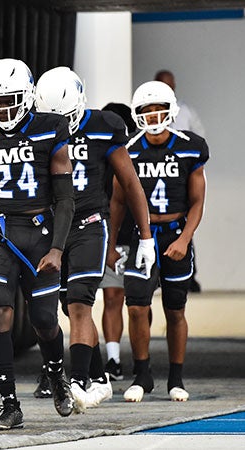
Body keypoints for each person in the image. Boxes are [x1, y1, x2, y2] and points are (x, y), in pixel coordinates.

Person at [0, 58, 76, 430]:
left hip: (38, 233)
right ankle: (9, 404)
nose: (4, 108)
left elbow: (65, 198)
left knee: (44, 321)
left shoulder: (50, 128)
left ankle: (56, 374)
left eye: (11, 100)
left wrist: (57, 248)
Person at [34, 67, 154, 412]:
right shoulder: (31, 127)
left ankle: (77, 380)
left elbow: (130, 183)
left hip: (88, 222)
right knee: (63, 309)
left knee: (78, 302)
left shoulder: (103, 126)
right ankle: (99, 379)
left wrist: (145, 237)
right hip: (52, 227)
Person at [110, 81, 208, 403]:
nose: (153, 116)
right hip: (141, 235)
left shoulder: (190, 146)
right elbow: (118, 202)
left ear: (171, 110)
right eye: (146, 110)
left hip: (175, 232)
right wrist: (111, 243)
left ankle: (176, 378)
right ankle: (142, 375)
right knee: (137, 307)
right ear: (136, 114)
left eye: (159, 109)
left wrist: (184, 238)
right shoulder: (128, 149)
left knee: (175, 309)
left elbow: (197, 201)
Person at [98, 102, 138, 382]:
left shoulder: (137, 153)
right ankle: (112, 359)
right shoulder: (95, 152)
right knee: (108, 297)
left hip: (133, 237)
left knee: (137, 302)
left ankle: (139, 358)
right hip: (104, 234)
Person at [154, 70, 204, 293]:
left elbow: (200, 137)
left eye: (171, 86)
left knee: (183, 221)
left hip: (180, 172)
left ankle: (188, 276)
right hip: (153, 168)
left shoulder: (185, 110)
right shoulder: (148, 108)